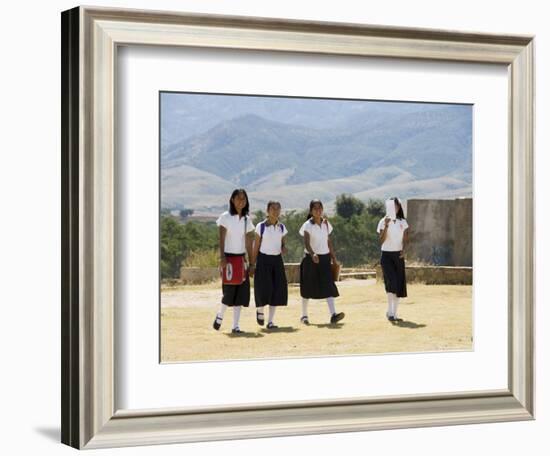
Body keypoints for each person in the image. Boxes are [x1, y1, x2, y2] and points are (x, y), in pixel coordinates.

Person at [212, 189, 255, 334]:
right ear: (232, 199)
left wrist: (252, 263)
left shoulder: (247, 220)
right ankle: (220, 315)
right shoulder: (225, 217)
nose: (241, 201)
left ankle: (236, 326)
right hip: (229, 259)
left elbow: (249, 243)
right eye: (238, 198)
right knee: (229, 291)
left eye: (244, 199)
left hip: (241, 259)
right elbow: (221, 239)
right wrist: (222, 257)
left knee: (241, 293)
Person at [298, 199, 344, 325]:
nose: (318, 210)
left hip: (324, 259)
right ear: (311, 211)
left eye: (320, 208)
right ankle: (304, 316)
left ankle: (333, 315)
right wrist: (313, 254)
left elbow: (328, 241)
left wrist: (333, 258)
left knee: (328, 285)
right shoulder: (307, 225)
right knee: (307, 287)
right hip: (310, 259)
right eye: (315, 208)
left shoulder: (326, 224)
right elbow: (306, 242)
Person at [250, 201, 288, 329]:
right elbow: (256, 247)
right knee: (262, 288)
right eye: (273, 209)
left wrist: (283, 247)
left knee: (277, 290)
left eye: (278, 209)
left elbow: (282, 243)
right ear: (267, 210)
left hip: (277, 261)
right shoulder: (260, 227)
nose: (275, 211)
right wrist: (252, 264)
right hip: (263, 260)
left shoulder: (281, 227)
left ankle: (270, 321)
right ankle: (260, 310)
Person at [377, 197, 409, 322]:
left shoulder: (403, 222)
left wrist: (404, 250)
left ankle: (394, 314)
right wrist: (386, 226)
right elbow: (381, 240)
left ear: (399, 207)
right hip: (386, 256)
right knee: (391, 283)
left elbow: (406, 239)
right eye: (391, 206)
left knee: (399, 285)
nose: (394, 208)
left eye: (396, 206)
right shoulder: (382, 221)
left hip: (398, 256)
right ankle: (390, 313)